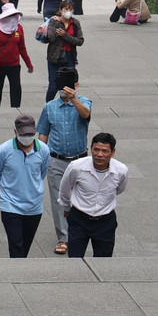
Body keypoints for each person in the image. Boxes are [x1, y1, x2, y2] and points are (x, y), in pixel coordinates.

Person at [35, 66, 92, 256]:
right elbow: (43, 133)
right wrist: (39, 158)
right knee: (59, 200)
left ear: (76, 85)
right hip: (56, 160)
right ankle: (63, 237)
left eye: (68, 85)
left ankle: (79, 231)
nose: (64, 89)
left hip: (80, 160)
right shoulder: (49, 107)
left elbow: (85, 114)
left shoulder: (83, 102)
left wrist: (73, 97)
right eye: (61, 85)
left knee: (81, 198)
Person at [0, 114, 50, 258]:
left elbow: (42, 173)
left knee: (26, 244)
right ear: (16, 132)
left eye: (30, 134)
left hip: (34, 206)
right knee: (15, 244)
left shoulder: (44, 149)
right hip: (10, 205)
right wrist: (8, 188)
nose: (27, 137)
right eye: (23, 134)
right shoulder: (4, 150)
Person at [0, 4, 32, 109]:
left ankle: (16, 108)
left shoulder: (19, 28)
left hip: (14, 65)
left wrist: (28, 63)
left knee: (16, 88)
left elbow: (22, 47)